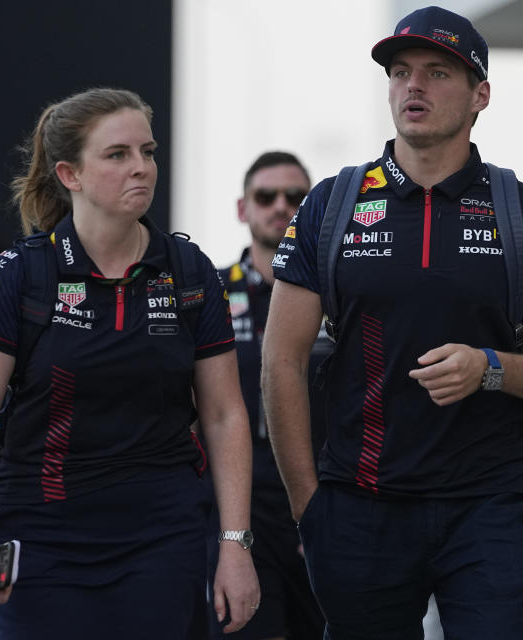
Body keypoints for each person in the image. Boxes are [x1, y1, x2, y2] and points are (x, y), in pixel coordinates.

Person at [261, 7, 523, 639]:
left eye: (438, 72)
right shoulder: (333, 203)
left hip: (489, 507)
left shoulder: (521, 210)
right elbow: (282, 360)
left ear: (480, 95)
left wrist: (489, 367)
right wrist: (310, 508)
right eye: (401, 72)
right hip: (361, 507)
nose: (414, 86)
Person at [0, 87, 260, 640]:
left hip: (161, 538)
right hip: (40, 537)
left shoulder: (189, 271)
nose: (142, 168)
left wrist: (235, 545)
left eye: (149, 151)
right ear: (71, 175)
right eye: (118, 155)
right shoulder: (20, 275)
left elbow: (225, 415)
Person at [210, 152, 327, 640]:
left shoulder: (339, 297)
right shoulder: (207, 294)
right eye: (266, 196)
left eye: (296, 197)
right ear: (243, 208)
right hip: (237, 507)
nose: (281, 206)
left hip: (324, 503)